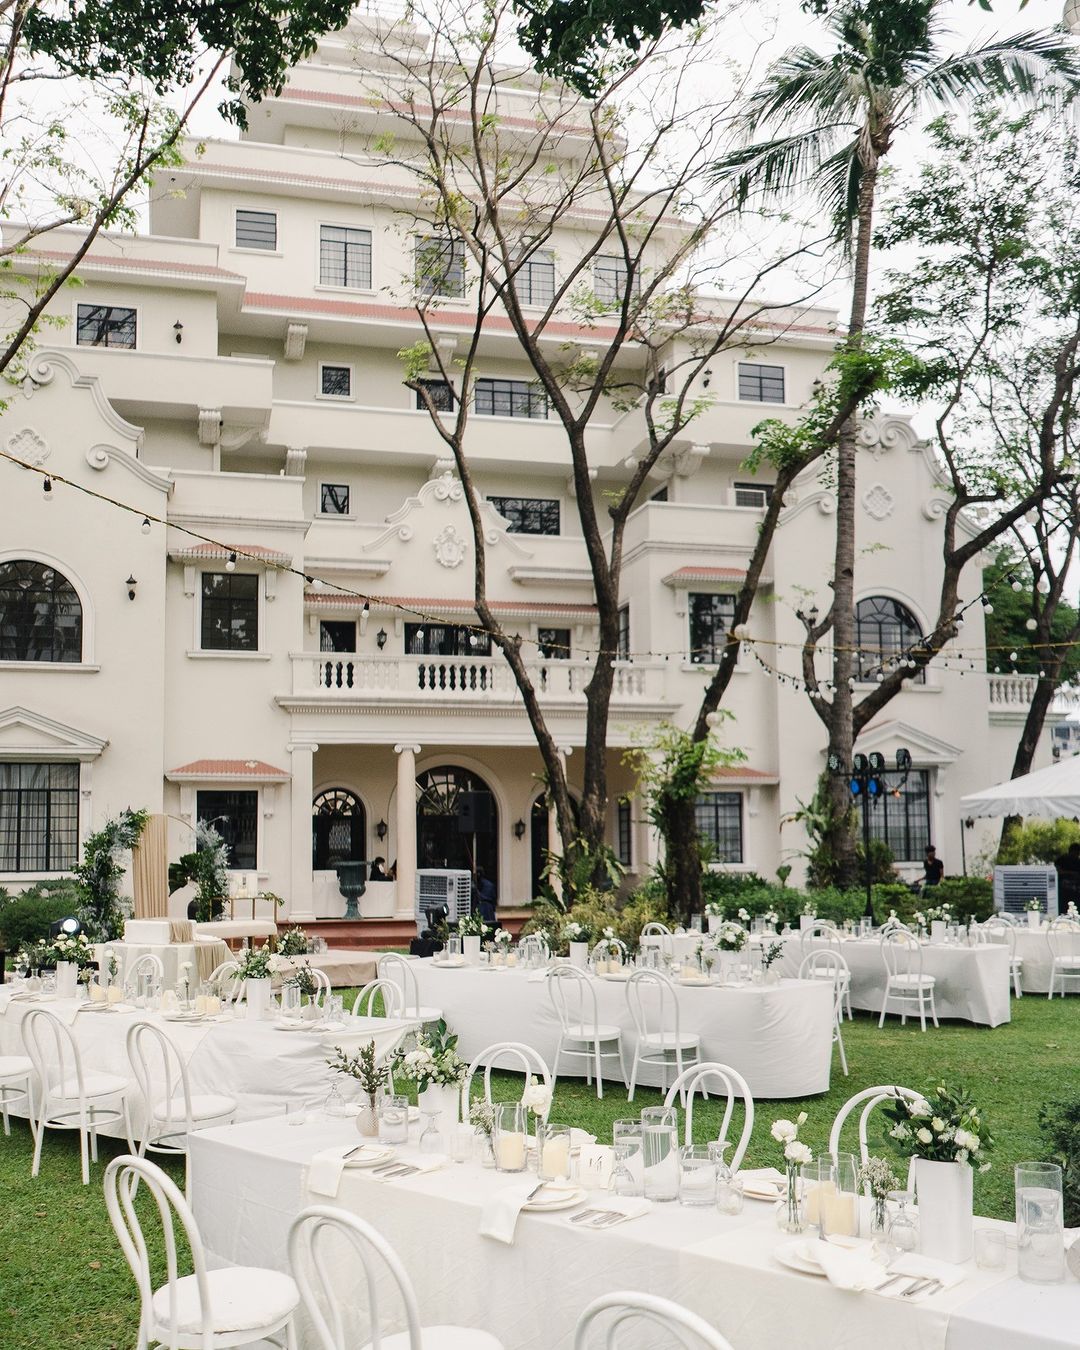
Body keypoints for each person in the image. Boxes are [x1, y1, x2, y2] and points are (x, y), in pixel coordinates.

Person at [1055, 842, 1080, 910]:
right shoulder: (1062, 859)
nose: (1076, 855)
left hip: (1075, 889)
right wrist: (1071, 873)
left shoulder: (1078, 861)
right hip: (1063, 888)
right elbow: (1057, 871)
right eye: (1075, 853)